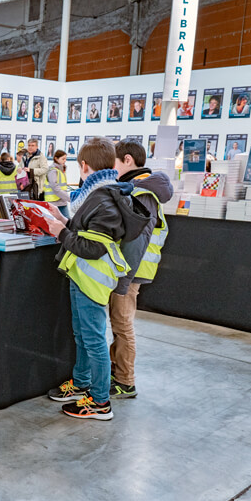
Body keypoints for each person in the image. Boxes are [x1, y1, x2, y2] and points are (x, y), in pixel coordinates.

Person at [44, 137, 151, 420]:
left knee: (93, 339)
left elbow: (93, 248)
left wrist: (61, 232)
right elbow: (89, 232)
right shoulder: (101, 194)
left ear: (83, 166)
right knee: (83, 335)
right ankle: (81, 383)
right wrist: (64, 221)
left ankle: (100, 401)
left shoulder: (104, 198)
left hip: (91, 279)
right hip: (82, 276)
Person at [106, 140, 173, 399]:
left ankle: (125, 381)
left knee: (122, 324)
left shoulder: (142, 192)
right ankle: (116, 371)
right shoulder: (140, 187)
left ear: (127, 160)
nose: (111, 167)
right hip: (130, 268)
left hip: (130, 270)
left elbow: (136, 239)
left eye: (114, 161)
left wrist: (123, 278)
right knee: (118, 323)